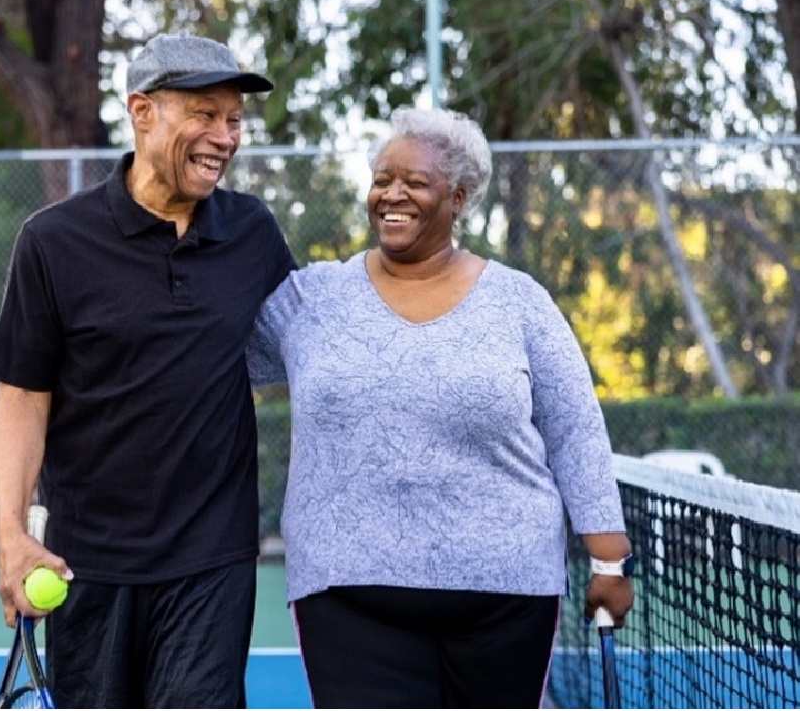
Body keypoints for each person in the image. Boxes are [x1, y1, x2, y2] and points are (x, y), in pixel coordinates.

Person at [247, 106, 634, 708]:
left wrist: (608, 560)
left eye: (414, 182)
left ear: (457, 197)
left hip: (505, 597)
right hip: (348, 597)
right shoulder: (312, 300)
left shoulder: (518, 302)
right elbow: (216, 356)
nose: (391, 194)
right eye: (382, 179)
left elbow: (575, 428)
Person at [0, 33, 297, 708]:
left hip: (212, 562)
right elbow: (22, 398)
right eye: (204, 114)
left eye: (234, 119)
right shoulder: (53, 240)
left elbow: (326, 352)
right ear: (142, 111)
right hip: (86, 563)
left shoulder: (254, 234)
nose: (225, 136)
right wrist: (10, 534)